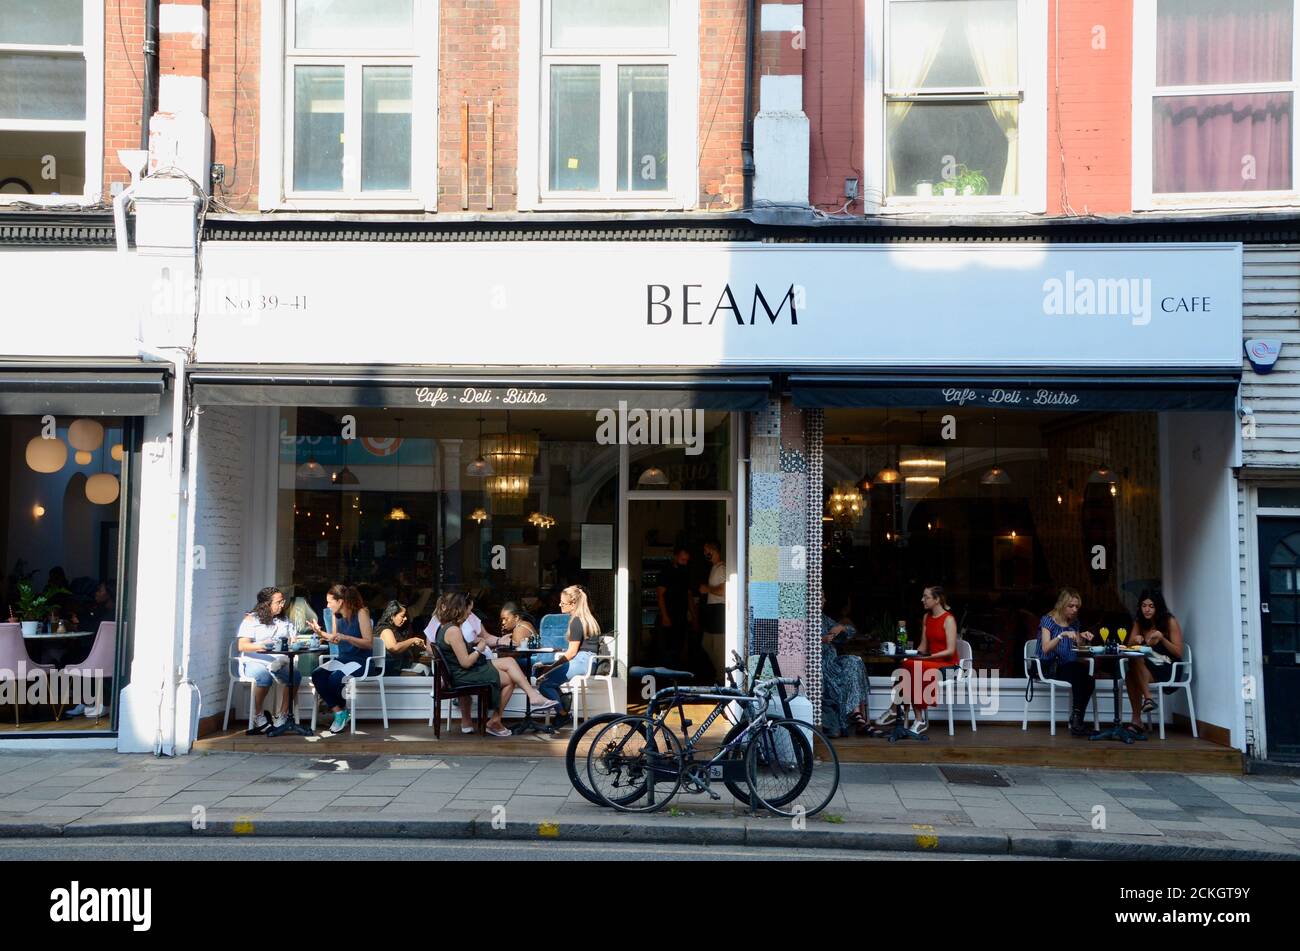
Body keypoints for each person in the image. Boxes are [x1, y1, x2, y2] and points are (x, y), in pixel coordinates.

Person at [432, 592, 557, 737]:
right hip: (463, 675)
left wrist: (474, 642)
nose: (469, 614)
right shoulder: (453, 631)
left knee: (510, 662)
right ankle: (499, 718)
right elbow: (465, 662)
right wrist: (479, 649)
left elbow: (455, 650)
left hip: (463, 672)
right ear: (461, 609)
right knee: (510, 679)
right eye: (468, 610)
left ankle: (528, 699)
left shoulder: (448, 628)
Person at [875, 585, 959, 734]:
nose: (922, 600)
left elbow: (950, 651)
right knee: (906, 663)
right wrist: (911, 654)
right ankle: (910, 715)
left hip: (950, 666)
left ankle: (905, 714)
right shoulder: (927, 617)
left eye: (926, 597)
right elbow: (924, 646)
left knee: (914, 667)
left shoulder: (949, 619)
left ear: (937, 599)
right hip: (932, 661)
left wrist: (927, 657)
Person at [307, 584, 374, 734]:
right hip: (343, 659)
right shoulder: (335, 615)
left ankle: (342, 710)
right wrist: (320, 632)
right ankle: (339, 712)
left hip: (361, 661)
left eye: (330, 601)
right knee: (317, 674)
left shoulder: (361, 613)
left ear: (340, 601)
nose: (327, 605)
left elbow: (369, 643)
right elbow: (336, 639)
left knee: (335, 679)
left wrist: (347, 637)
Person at [236, 586, 302, 736]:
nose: (282, 605)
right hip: (255, 660)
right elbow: (242, 645)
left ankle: (282, 716)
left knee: (295, 675)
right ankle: (258, 714)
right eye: (278, 602)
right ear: (266, 604)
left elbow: (293, 640)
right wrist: (262, 645)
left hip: (278, 662)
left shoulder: (284, 620)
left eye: (283, 601)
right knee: (263, 677)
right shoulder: (251, 619)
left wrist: (294, 642)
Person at [534, 585, 603, 719]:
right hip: (590, 661)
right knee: (550, 681)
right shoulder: (589, 619)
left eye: (563, 603)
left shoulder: (576, 621)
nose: (560, 605)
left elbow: (571, 653)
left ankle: (563, 714)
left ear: (573, 604)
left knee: (544, 684)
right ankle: (564, 701)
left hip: (582, 661)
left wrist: (550, 668)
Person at [1035, 587, 1096, 736]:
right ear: (1062, 605)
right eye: (1071, 606)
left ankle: (1076, 719)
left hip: (1068, 666)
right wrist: (1062, 636)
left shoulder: (1074, 623)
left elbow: (1077, 648)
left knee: (1089, 679)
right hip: (1049, 666)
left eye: (1077, 606)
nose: (1074, 609)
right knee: (1078, 672)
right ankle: (1076, 722)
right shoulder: (1048, 620)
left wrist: (1082, 637)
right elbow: (1045, 648)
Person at [1124, 589, 1184, 732]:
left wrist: (1162, 639)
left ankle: (1142, 710)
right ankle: (1139, 716)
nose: (1147, 610)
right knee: (1130, 672)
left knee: (1133, 670)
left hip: (1169, 667)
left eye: (1151, 606)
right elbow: (1128, 646)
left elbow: (1178, 652)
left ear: (1158, 607)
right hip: (1150, 666)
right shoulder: (1139, 622)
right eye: (1144, 606)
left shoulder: (1170, 621)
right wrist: (1135, 640)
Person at [819, 594, 870, 737]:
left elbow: (851, 631)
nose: (824, 600)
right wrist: (821, 639)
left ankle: (856, 712)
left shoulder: (823, 619)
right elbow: (796, 642)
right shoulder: (803, 618)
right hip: (821, 667)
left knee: (854, 661)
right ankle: (853, 715)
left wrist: (842, 628)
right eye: (821, 597)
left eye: (824, 597)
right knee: (840, 677)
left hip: (833, 663)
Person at [656, 547, 696, 667]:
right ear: (675, 557)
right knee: (667, 649)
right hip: (669, 615)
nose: (685, 562)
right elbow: (660, 594)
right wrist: (665, 616)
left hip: (681, 616)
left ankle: (676, 676)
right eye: (683, 559)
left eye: (687, 560)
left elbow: (688, 596)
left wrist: (694, 617)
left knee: (679, 648)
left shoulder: (685, 571)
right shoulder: (666, 571)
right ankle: (666, 678)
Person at [697, 540, 726, 683]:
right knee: (707, 644)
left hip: (719, 610)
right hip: (712, 611)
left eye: (706, 550)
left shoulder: (722, 569)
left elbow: (723, 591)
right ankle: (721, 674)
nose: (704, 553)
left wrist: (707, 589)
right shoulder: (714, 567)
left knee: (718, 647)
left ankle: (722, 677)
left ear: (713, 549)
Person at [375, 600, 427, 676]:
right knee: (421, 676)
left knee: (425, 669)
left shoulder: (395, 630)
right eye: (402, 616)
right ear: (392, 616)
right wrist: (412, 640)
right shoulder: (385, 630)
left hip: (398, 668)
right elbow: (394, 647)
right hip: (390, 671)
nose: (405, 618)